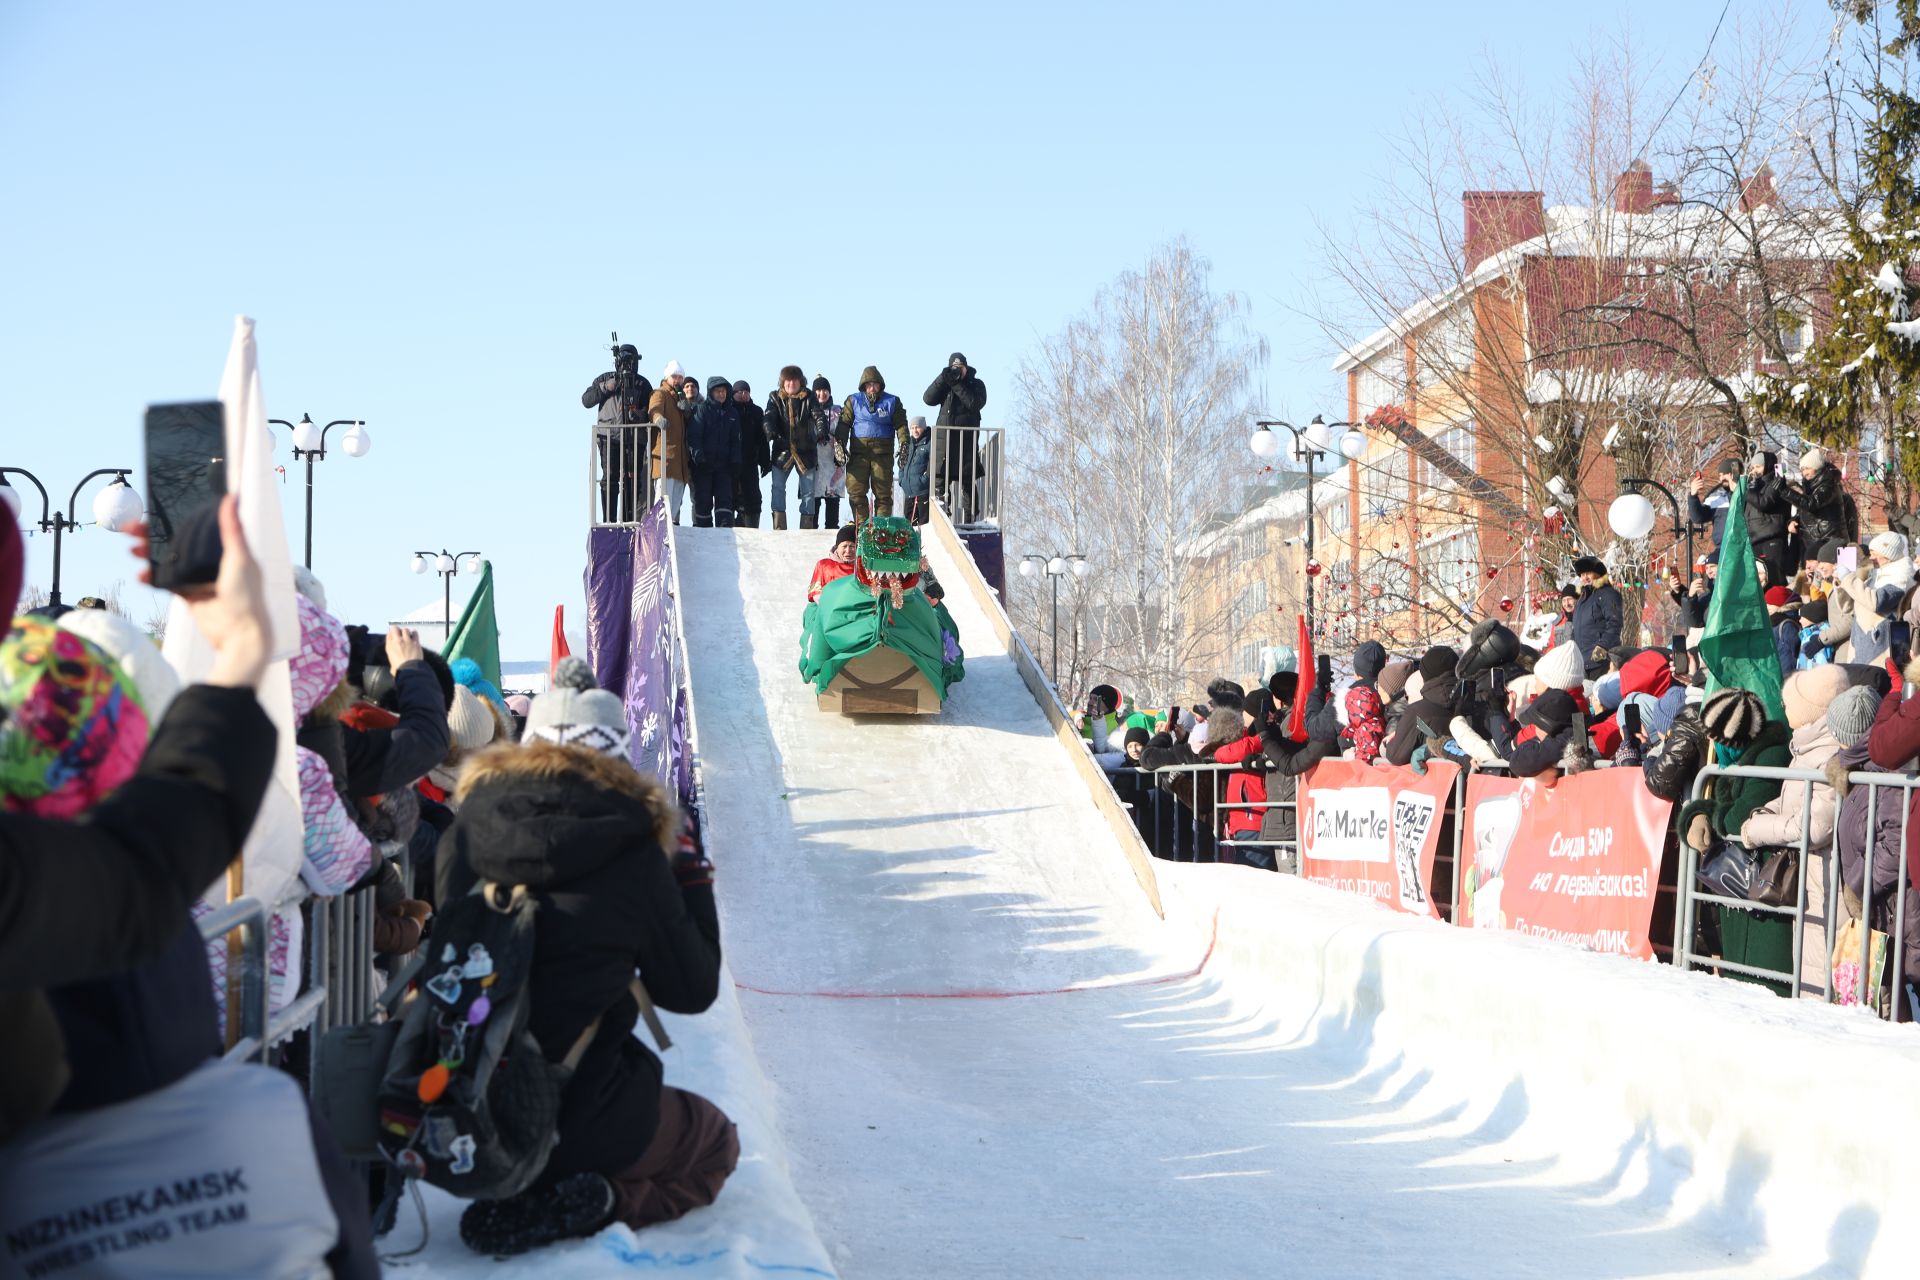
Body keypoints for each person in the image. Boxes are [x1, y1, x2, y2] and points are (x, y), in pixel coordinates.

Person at [441, 667, 734, 1255]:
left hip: (462, 1109)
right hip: (585, 1116)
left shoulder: (464, 832)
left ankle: (517, 1182)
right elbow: (691, 990)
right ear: (616, 760)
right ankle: (604, 1199)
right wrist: (691, 875)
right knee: (715, 1144)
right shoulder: (632, 852)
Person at [584, 343, 655, 523]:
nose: (626, 364)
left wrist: (639, 415)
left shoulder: (642, 383)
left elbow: (651, 409)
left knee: (632, 481)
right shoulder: (606, 378)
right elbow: (586, 400)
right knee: (610, 477)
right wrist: (606, 387)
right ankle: (610, 519)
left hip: (634, 438)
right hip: (609, 437)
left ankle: (629, 519)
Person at [836, 366, 908, 522]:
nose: (872, 388)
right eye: (868, 385)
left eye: (875, 384)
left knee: (883, 494)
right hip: (858, 453)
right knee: (855, 491)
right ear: (863, 386)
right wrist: (840, 444)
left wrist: (904, 444)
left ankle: (881, 528)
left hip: (882, 454)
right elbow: (844, 424)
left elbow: (901, 425)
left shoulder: (892, 402)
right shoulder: (853, 400)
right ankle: (861, 526)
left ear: (880, 385)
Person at [921, 353, 987, 522]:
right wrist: (943, 378)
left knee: (967, 481)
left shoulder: (976, 384)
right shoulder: (946, 383)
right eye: (954, 368)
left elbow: (974, 403)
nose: (958, 371)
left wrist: (956, 384)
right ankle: (942, 521)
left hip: (966, 441)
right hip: (945, 442)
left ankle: (970, 520)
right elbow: (928, 398)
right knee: (940, 481)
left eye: (960, 368)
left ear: (966, 367)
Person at [766, 366, 821, 530]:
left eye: (794, 380)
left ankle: (807, 526)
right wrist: (770, 430)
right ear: (783, 382)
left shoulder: (809, 397)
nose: (791, 383)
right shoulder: (775, 397)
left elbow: (818, 415)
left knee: (808, 491)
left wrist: (822, 431)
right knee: (777, 487)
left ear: (800, 382)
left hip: (806, 452)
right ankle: (779, 524)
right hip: (782, 451)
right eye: (788, 380)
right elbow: (768, 416)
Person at [688, 377, 741, 528]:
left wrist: (736, 461)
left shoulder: (732, 413)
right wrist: (699, 459)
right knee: (703, 499)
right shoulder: (702, 409)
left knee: (724, 499)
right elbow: (694, 436)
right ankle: (702, 531)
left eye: (724, 391)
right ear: (711, 392)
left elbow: (736, 440)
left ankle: (724, 532)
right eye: (718, 391)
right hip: (704, 464)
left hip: (724, 465)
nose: (721, 394)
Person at [1789, 447, 1849, 565]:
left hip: (1828, 543)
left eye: (1807, 468)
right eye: (1802, 469)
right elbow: (1806, 510)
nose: (1804, 473)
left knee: (1829, 577)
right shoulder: (1811, 486)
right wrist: (1794, 520)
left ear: (1816, 467)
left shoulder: (1828, 485)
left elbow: (1812, 504)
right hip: (1813, 541)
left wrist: (1785, 491)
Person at [648, 360, 691, 525]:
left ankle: (670, 529)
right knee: (663, 498)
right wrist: (658, 419)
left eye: (681, 377)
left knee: (676, 501)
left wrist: (686, 409)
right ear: (667, 377)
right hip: (665, 457)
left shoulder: (680, 398)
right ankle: (659, 529)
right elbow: (655, 409)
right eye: (675, 376)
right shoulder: (660, 393)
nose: (678, 380)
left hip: (679, 461)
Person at [1744, 451, 1794, 589]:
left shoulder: (1777, 481)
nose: (1755, 471)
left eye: (1758, 467)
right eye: (1753, 468)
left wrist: (1746, 491)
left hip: (1772, 539)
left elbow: (1765, 502)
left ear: (1768, 466)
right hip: (1755, 540)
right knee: (1757, 582)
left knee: (1773, 579)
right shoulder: (1754, 486)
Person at [1570, 556, 1623, 679]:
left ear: (1598, 573)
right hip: (1582, 662)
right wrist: (1571, 646)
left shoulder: (1608, 594)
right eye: (1582, 575)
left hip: (1602, 660)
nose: (1585, 578)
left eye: (1588, 573)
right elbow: (1576, 628)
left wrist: (1603, 646)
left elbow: (1615, 623)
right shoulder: (1582, 599)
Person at [807, 376, 846, 529]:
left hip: (832, 459)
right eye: (818, 390)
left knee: (832, 499)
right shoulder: (808, 409)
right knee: (813, 499)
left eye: (825, 390)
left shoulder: (838, 411)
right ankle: (811, 532)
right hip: (813, 458)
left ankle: (832, 532)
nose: (821, 394)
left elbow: (844, 433)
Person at [732, 379, 768, 530]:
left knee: (753, 498)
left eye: (746, 392)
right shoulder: (728, 410)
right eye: (740, 392)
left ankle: (752, 529)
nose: (743, 395)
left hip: (750, 461)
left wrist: (765, 461)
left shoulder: (756, 411)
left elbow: (762, 439)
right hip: (730, 462)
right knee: (729, 497)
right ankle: (728, 529)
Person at [1687, 459, 1739, 547]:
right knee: (1705, 561)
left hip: (1746, 548)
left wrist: (1735, 489)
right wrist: (1693, 495)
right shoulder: (1716, 497)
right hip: (1722, 548)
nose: (1722, 478)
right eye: (1720, 475)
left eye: (1725, 474)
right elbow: (1698, 517)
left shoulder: (1750, 494)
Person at [808, 525, 859, 601]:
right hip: (830, 607)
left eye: (852, 546)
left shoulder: (863, 567)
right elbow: (815, 593)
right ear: (837, 547)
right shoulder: (824, 565)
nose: (848, 551)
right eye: (844, 546)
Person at [901, 415, 933, 525]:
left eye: (918, 427)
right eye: (912, 427)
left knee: (924, 525)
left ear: (924, 427)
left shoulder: (929, 443)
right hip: (908, 493)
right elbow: (902, 463)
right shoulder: (908, 444)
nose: (915, 430)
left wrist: (924, 479)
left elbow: (932, 464)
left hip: (922, 492)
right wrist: (902, 480)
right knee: (909, 527)